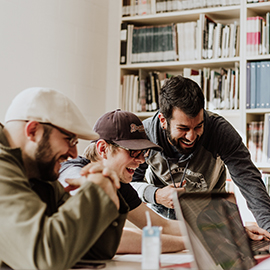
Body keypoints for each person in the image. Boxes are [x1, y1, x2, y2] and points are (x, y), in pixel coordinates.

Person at [0, 87, 129, 270]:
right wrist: (96, 192)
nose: (74, 153)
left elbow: (95, 251)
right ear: (33, 131)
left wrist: (106, 190)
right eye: (69, 140)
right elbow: (46, 258)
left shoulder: (41, 174)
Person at [131, 75, 270, 233]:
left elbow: (250, 182)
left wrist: (268, 228)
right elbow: (130, 184)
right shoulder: (145, 134)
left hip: (210, 219)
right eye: (183, 128)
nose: (191, 137)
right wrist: (155, 194)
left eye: (198, 126)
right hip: (162, 221)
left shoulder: (220, 131)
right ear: (163, 120)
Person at [59, 109, 186, 254]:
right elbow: (109, 238)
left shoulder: (119, 184)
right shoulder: (72, 171)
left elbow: (161, 225)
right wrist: (189, 243)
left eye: (143, 152)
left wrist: (207, 232)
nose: (141, 160)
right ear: (103, 148)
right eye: (133, 151)